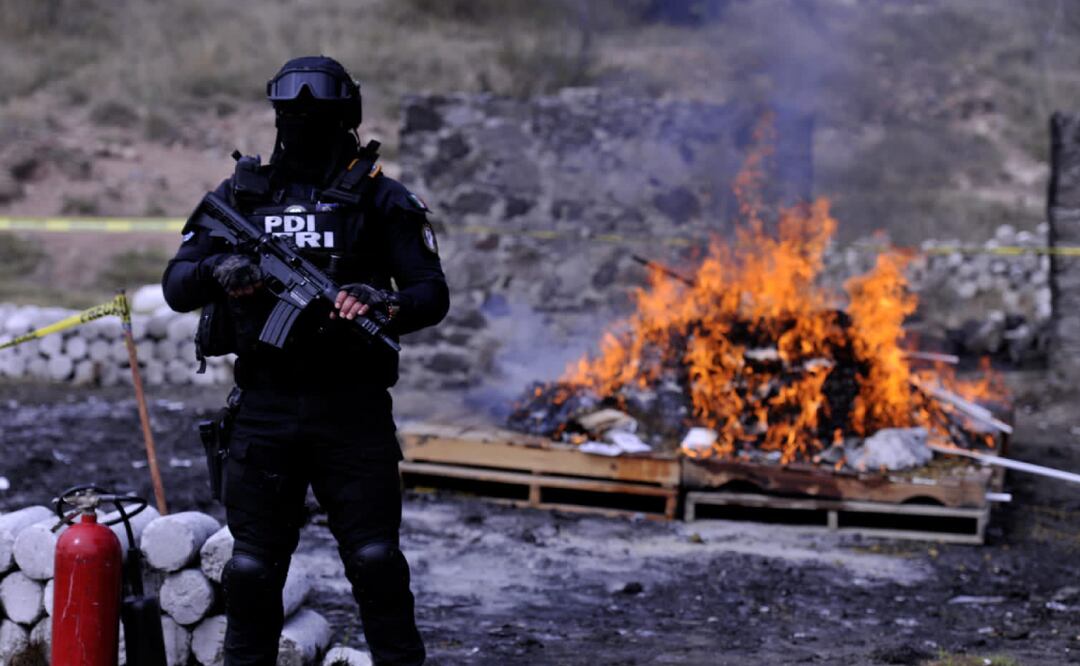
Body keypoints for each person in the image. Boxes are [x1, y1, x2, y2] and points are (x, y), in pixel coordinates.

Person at [162, 55, 448, 666]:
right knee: (253, 571)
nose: (304, 124)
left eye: (317, 113)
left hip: (354, 413)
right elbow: (176, 283)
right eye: (294, 113)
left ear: (347, 116)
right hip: (264, 411)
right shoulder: (241, 196)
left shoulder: (382, 199)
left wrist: (384, 303)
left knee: (375, 564)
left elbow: (432, 293)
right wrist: (218, 271)